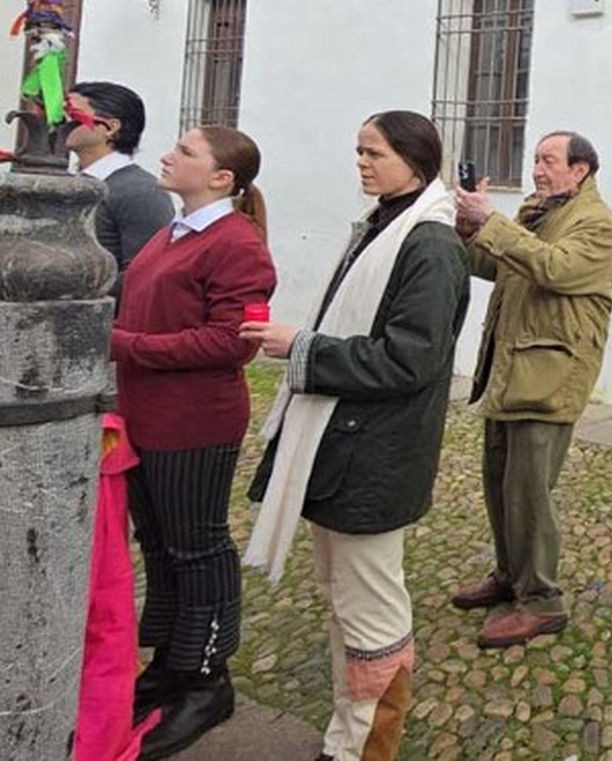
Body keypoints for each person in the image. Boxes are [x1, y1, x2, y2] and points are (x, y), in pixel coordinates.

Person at [240, 111, 469, 761]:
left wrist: (301, 347)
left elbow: (410, 358)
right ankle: (349, 738)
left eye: (374, 152)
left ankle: (367, 747)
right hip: (342, 446)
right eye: (358, 151)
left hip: (376, 456)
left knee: (372, 614)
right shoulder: (381, 225)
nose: (362, 163)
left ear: (413, 159)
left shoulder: (430, 244)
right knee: (345, 603)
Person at [110, 125, 275, 759]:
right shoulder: (171, 233)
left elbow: (232, 341)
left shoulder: (236, 244)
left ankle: (209, 678)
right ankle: (174, 665)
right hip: (145, 418)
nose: (168, 156)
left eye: (185, 151)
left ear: (221, 179)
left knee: (197, 548)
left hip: (194, 424)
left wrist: (126, 347)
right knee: (159, 544)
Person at [449, 131, 612, 650]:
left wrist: (492, 223)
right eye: (536, 159)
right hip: (512, 368)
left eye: (549, 160)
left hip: (550, 375)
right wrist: (467, 230)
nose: (537, 170)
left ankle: (542, 601)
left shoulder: (596, 222)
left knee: (529, 491)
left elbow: (555, 268)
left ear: (581, 169)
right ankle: (510, 575)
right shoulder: (537, 211)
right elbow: (498, 266)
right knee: (500, 482)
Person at [67, 81, 174, 299]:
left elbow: (144, 273)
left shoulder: (140, 191)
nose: (59, 124)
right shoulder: (71, 183)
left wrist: (71, 291)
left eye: (72, 115)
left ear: (111, 127)